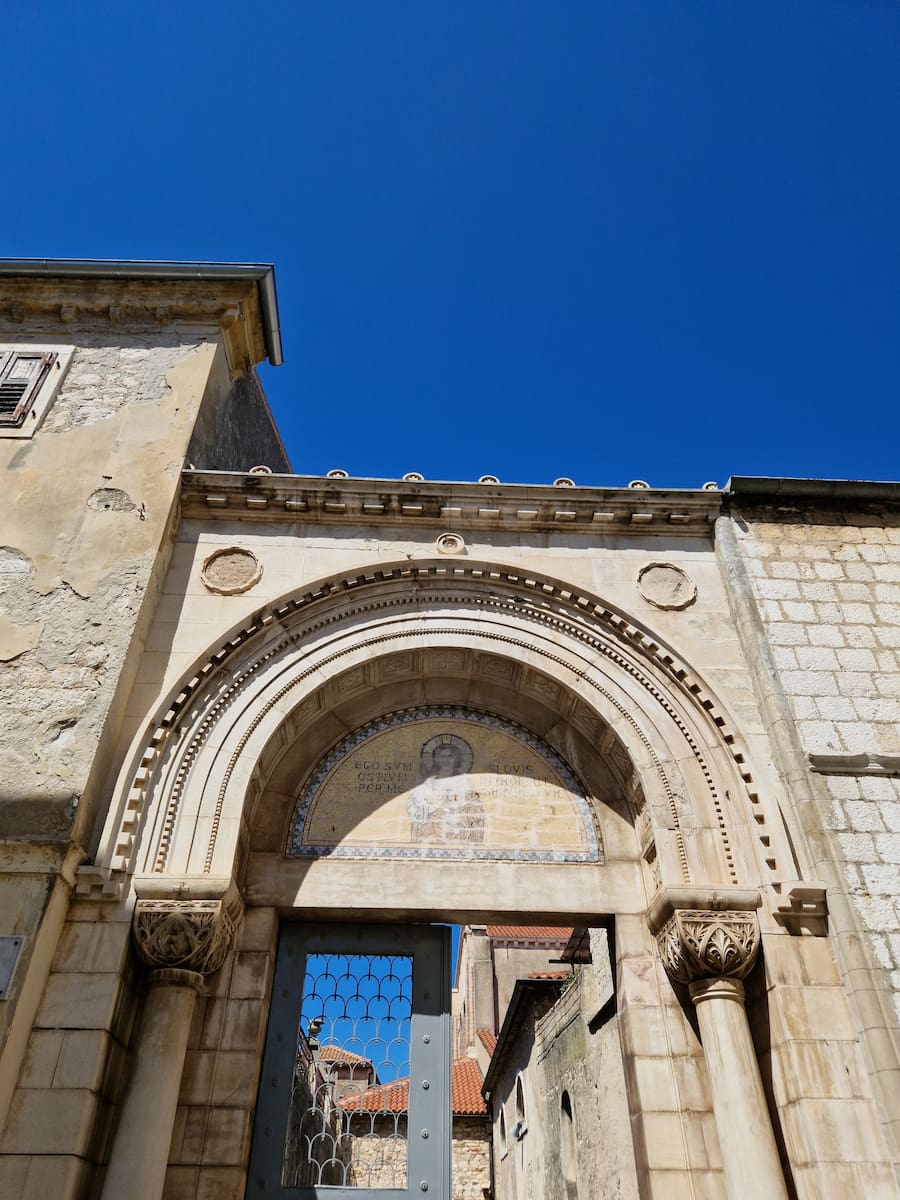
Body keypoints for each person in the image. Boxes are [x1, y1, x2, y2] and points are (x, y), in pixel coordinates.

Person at [407, 734, 485, 844]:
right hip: (432, 830)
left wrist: (459, 810)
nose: (446, 760)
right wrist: (427, 808)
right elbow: (414, 804)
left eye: (450, 756)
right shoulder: (429, 783)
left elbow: (475, 805)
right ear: (437, 760)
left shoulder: (464, 781)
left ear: (456, 759)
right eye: (442, 757)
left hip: (458, 829)